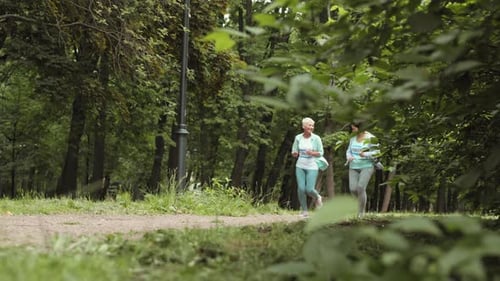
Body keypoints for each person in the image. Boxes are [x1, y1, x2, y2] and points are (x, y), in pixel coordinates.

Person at [291, 117, 325, 218]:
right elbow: (294, 151)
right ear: (303, 126)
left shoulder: (316, 138)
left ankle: (318, 197)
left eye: (312, 126)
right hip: (300, 165)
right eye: (309, 125)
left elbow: (321, 153)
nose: (311, 127)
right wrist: (295, 153)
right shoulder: (298, 138)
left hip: (312, 166)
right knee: (301, 188)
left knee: (309, 189)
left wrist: (312, 153)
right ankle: (304, 211)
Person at [345, 122, 380, 218]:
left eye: (354, 128)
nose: (352, 130)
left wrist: (365, 154)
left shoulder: (371, 138)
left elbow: (377, 152)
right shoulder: (352, 138)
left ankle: (361, 213)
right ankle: (357, 208)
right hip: (353, 166)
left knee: (360, 187)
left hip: (367, 165)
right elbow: (348, 150)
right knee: (353, 189)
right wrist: (349, 157)